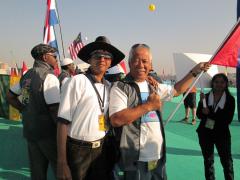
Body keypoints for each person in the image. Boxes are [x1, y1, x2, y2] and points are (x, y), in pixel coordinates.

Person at [109, 43, 210, 180]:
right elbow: (116, 119)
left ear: (150, 64)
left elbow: (177, 90)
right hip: (135, 158)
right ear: (129, 63)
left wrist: (195, 71)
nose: (140, 65)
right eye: (136, 60)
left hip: (157, 156)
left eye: (145, 61)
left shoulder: (153, 85)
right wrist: (149, 106)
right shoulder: (121, 87)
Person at [57, 36, 125, 180]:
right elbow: (62, 123)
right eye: (97, 56)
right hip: (78, 150)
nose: (102, 59)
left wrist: (149, 79)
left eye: (107, 57)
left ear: (111, 62)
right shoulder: (77, 81)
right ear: (89, 59)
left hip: (102, 149)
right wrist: (62, 162)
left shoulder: (109, 86)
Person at [6, 44, 60, 179]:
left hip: (30, 130)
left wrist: (24, 109)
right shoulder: (49, 77)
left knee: (37, 172)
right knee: (62, 169)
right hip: (48, 133)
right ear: (45, 57)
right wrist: (63, 132)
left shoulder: (26, 76)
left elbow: (10, 96)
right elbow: (54, 109)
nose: (56, 60)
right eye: (54, 57)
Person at [196, 73, 235, 180]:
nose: (219, 84)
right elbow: (199, 115)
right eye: (216, 82)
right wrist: (201, 103)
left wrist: (209, 113)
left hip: (222, 134)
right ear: (212, 83)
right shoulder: (206, 97)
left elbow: (227, 120)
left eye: (222, 82)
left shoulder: (230, 100)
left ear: (226, 84)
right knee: (208, 162)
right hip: (205, 133)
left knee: (227, 162)